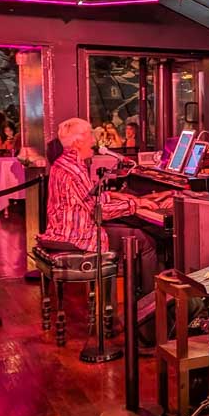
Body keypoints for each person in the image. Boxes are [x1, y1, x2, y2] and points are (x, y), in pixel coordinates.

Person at [39, 118, 160, 293]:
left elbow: (86, 200)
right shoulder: (75, 169)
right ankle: (149, 305)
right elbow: (97, 211)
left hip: (64, 230)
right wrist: (134, 204)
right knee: (147, 241)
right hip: (76, 236)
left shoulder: (64, 163)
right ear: (78, 141)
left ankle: (132, 295)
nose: (94, 141)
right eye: (90, 136)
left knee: (127, 229)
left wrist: (116, 197)